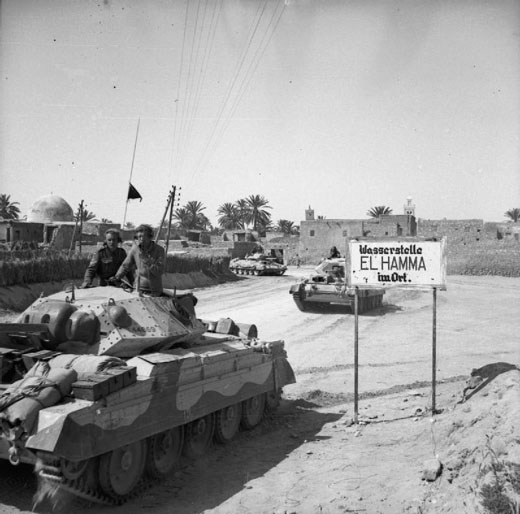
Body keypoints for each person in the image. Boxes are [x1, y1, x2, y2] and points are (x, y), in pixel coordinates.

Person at [114, 224, 165, 296]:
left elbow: (159, 271)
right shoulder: (135, 249)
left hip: (154, 290)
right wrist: (117, 277)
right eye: (139, 237)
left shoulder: (159, 250)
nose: (141, 239)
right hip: (139, 288)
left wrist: (147, 260)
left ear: (150, 237)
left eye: (143, 236)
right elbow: (125, 265)